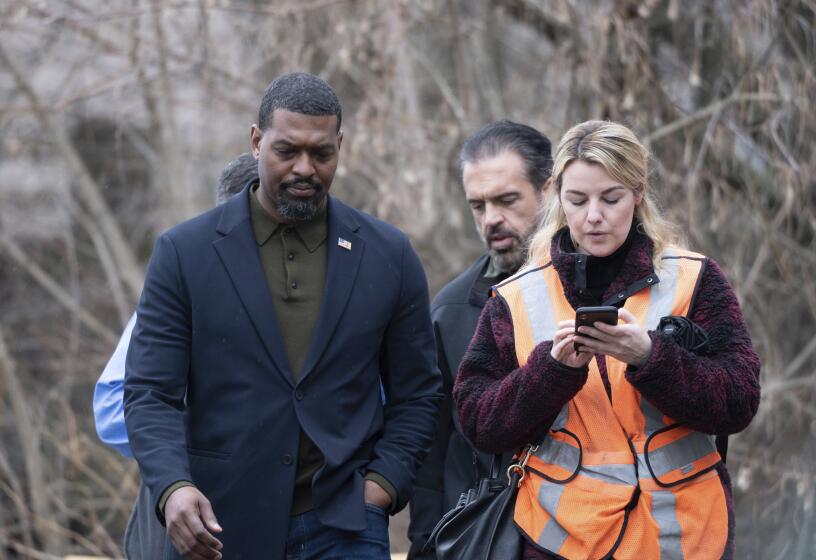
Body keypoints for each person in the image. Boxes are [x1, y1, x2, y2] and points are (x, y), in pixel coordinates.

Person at [123, 72, 441, 560]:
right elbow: (149, 393)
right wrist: (173, 488)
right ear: (256, 141)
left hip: (346, 527)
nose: (304, 168)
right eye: (286, 150)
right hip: (217, 528)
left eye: (321, 153)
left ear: (340, 146)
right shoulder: (183, 252)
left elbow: (418, 393)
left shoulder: (389, 255)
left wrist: (382, 486)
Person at [454, 120, 761, 560]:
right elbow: (477, 420)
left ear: (638, 193)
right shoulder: (516, 295)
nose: (592, 216)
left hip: (687, 538)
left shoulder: (695, 279)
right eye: (577, 200)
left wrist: (652, 358)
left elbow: (740, 400)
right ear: (556, 197)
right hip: (559, 541)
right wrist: (552, 371)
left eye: (610, 198)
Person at [92, 153, 257, 559]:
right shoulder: (181, 289)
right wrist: (205, 446)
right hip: (188, 509)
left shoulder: (333, 288)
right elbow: (113, 408)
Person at [407, 120, 551, 558]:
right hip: (488, 539)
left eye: (507, 200)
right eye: (478, 205)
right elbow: (431, 453)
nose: (491, 220)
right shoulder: (451, 311)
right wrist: (426, 548)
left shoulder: (604, 291)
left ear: (549, 191)